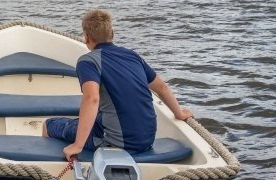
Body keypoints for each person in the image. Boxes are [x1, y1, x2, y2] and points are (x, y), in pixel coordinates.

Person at [43, 9, 193, 160]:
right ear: (112, 34)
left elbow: (92, 98)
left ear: (86, 38)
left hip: (116, 143)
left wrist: (78, 145)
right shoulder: (132, 56)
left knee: (49, 125)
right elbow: (162, 87)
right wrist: (179, 113)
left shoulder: (88, 61)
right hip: (147, 140)